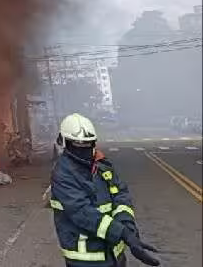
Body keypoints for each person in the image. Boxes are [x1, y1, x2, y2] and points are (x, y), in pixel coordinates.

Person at [49, 113, 160, 267]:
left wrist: (128, 228)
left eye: (88, 144)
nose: (84, 150)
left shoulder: (102, 165)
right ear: (64, 143)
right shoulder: (63, 173)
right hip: (86, 260)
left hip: (114, 255)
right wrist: (122, 233)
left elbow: (121, 196)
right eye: (78, 145)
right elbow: (82, 212)